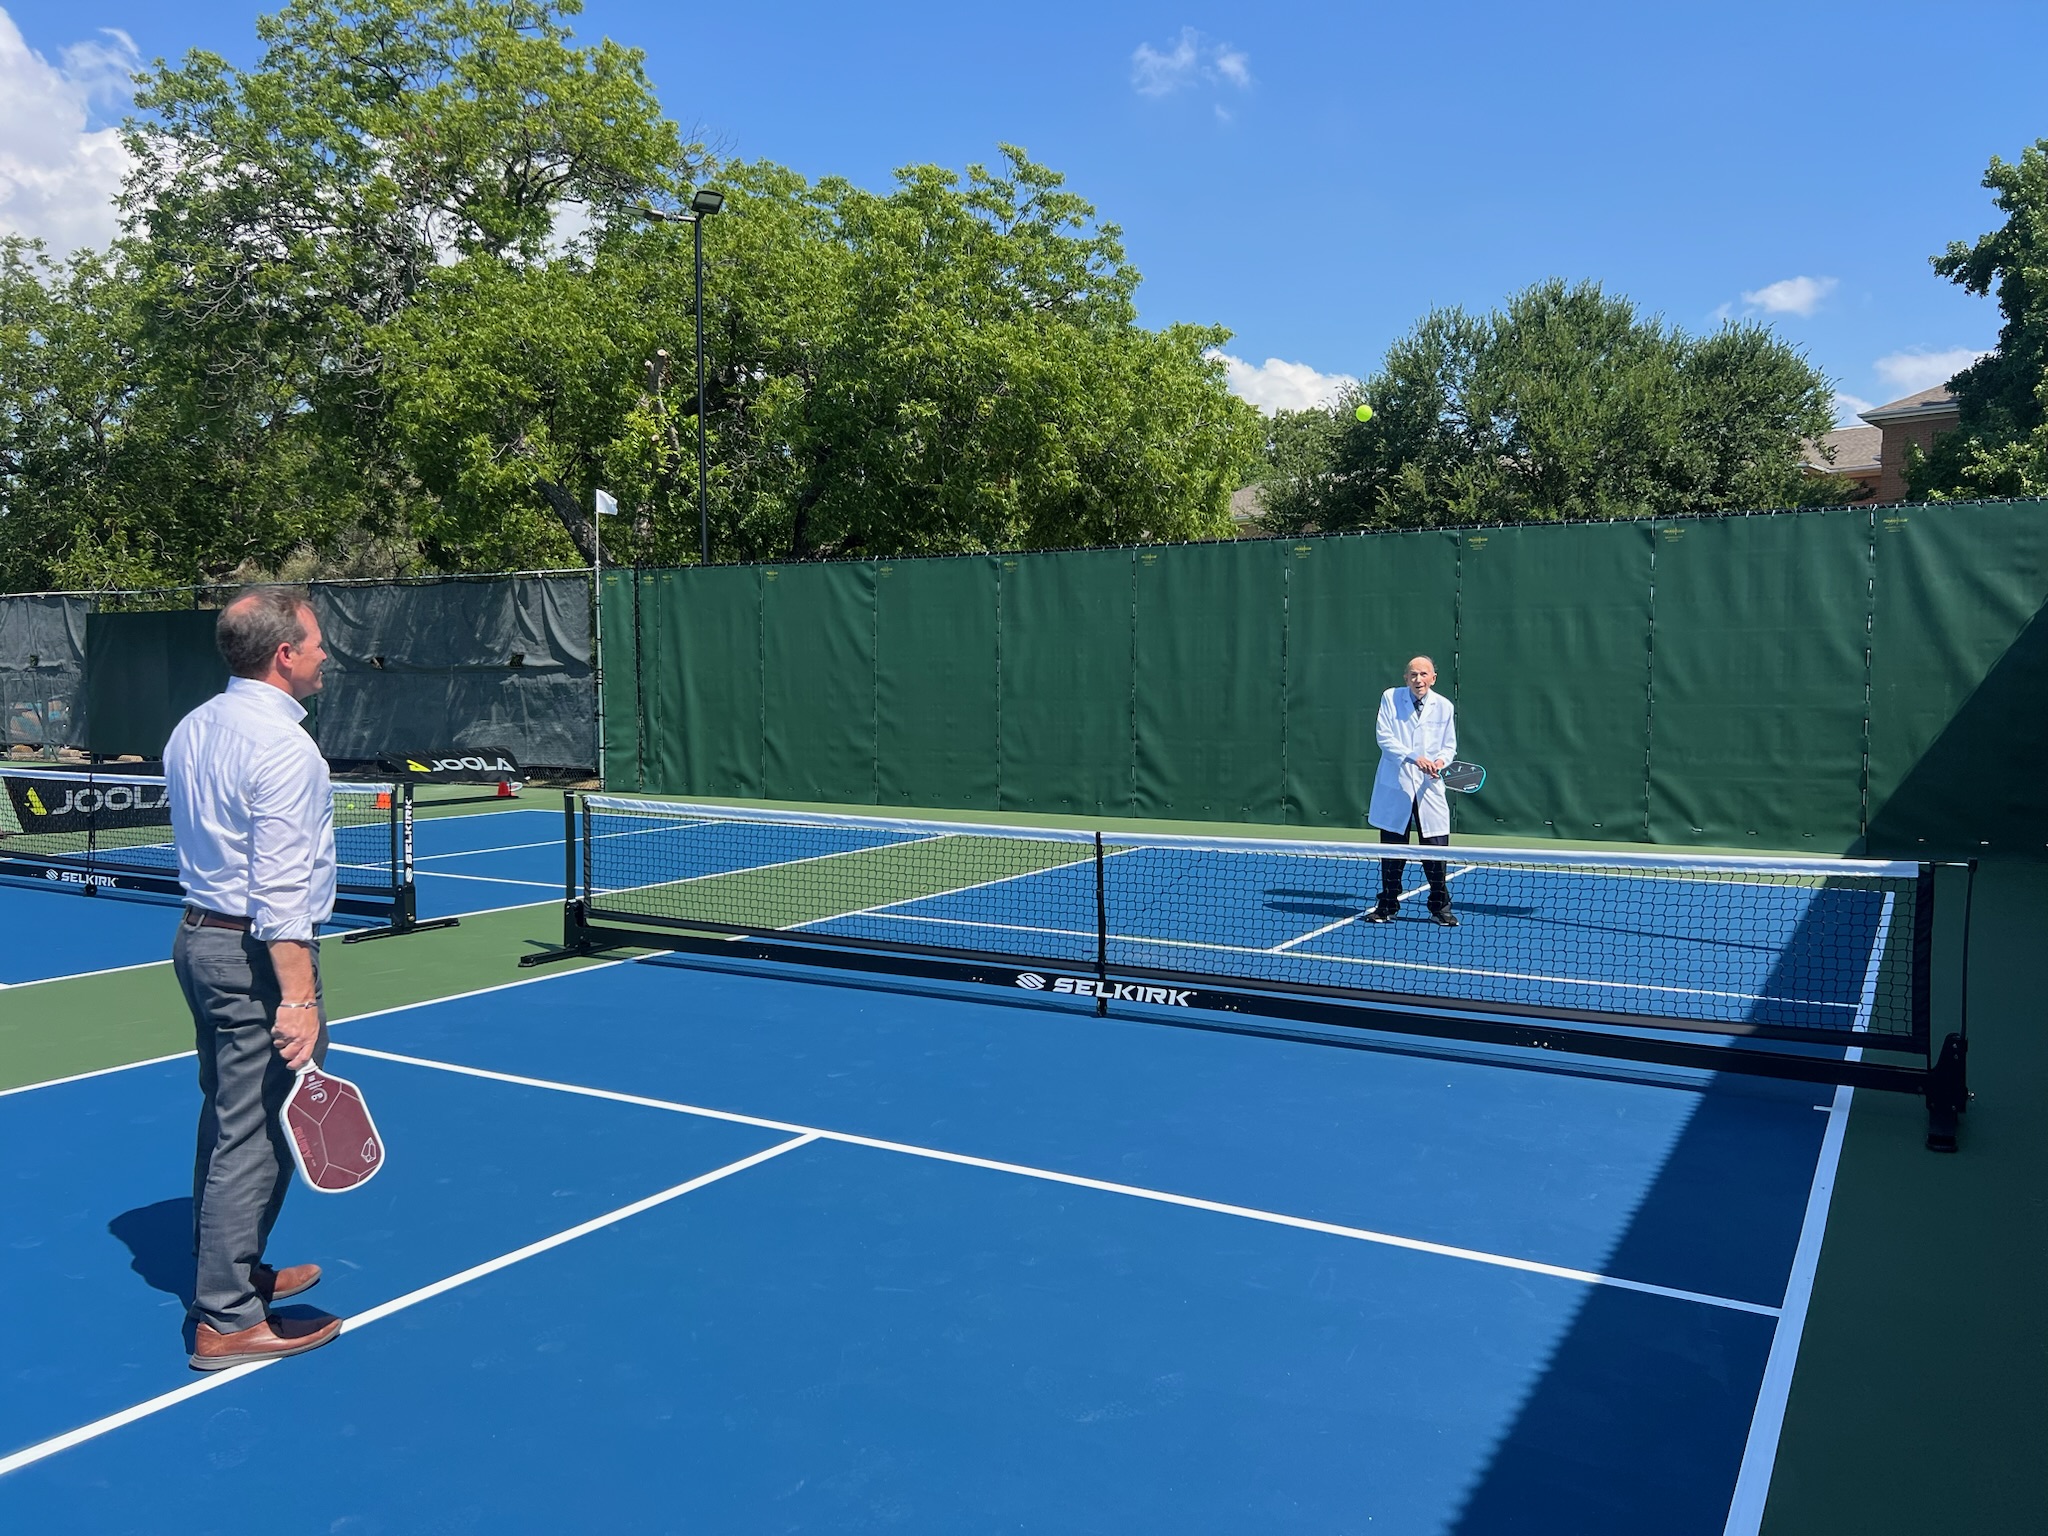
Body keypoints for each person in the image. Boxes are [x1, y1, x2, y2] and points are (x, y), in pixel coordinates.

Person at [166, 587, 345, 1370]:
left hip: (198, 942)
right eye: (315, 643)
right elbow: (280, 895)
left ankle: (237, 1273)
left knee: (230, 1120)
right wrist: (299, 998)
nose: (323, 655)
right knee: (253, 1133)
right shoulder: (284, 750)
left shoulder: (193, 727)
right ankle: (228, 1317)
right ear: (284, 655)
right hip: (251, 963)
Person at [1365, 655, 1459, 927]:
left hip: (1429, 787)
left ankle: (1440, 906)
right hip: (1397, 785)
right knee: (1393, 851)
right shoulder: (1390, 698)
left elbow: (1449, 746)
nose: (1419, 679)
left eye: (1424, 674)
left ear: (1433, 678)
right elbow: (1385, 738)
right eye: (1413, 675)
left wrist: (1440, 762)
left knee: (1436, 851)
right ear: (1406, 678)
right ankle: (1387, 905)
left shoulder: (1444, 706)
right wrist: (1414, 758)